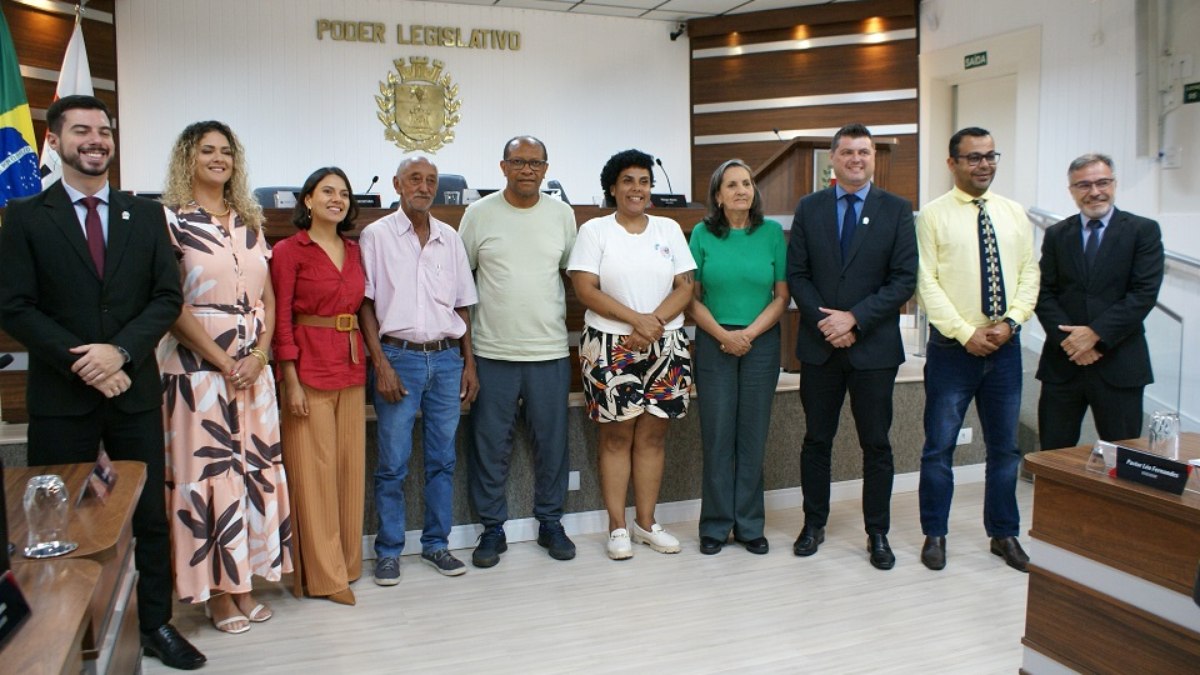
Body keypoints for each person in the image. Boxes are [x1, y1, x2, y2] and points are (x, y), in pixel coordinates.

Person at [0, 95, 204, 669]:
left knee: (147, 516)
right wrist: (83, 362)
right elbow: (14, 306)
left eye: (105, 131)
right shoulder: (25, 216)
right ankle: (62, 632)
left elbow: (166, 296)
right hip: (62, 397)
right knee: (58, 520)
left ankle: (158, 624)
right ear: (55, 140)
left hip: (133, 389)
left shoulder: (144, 215)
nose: (96, 140)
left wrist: (119, 353)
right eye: (82, 131)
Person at [158, 120, 293, 633]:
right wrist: (222, 360)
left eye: (226, 152)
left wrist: (259, 355)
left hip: (252, 373)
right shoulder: (170, 222)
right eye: (207, 150)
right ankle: (213, 593)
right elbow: (170, 302)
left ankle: (243, 583)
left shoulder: (251, 223)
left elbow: (268, 300)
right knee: (208, 477)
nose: (218, 159)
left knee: (250, 476)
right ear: (187, 158)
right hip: (196, 371)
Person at [785, 124, 918, 570]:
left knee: (876, 444)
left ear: (873, 158)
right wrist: (827, 323)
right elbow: (797, 274)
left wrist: (855, 319)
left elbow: (903, 279)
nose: (856, 159)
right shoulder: (810, 208)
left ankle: (877, 532)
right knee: (816, 441)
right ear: (833, 159)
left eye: (864, 152)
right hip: (821, 347)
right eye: (847, 152)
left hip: (873, 350)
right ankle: (813, 523)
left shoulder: (897, 210)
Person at [916, 127, 1039, 573]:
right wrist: (966, 332)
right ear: (952, 163)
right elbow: (926, 282)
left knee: (1005, 450)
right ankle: (935, 533)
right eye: (973, 158)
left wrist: (1012, 322)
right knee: (939, 447)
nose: (984, 165)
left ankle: (1004, 534)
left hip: (1006, 350)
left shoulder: (1013, 213)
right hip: (953, 350)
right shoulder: (932, 216)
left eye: (990, 156)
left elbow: (1029, 274)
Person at [567, 149, 696, 560]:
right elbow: (585, 289)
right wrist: (636, 322)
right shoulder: (594, 231)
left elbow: (685, 286)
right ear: (612, 187)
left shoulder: (669, 228)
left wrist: (652, 324)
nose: (636, 188)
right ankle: (617, 527)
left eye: (643, 181)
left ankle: (646, 522)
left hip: (667, 343)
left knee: (655, 435)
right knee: (616, 435)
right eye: (627, 181)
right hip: (609, 344)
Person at [359, 155, 478, 584]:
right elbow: (365, 305)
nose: (424, 187)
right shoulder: (376, 236)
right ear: (396, 184)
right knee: (392, 462)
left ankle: (435, 545)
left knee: (442, 460)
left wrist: (469, 364)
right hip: (400, 359)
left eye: (430, 180)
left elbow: (462, 305)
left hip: (447, 360)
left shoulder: (450, 237)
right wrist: (381, 364)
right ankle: (389, 550)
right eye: (415, 179)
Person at [459, 136, 578, 568]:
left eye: (535, 163)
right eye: (518, 162)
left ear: (546, 169)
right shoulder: (478, 214)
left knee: (553, 444)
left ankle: (551, 523)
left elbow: (573, 275)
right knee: (490, 446)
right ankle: (492, 530)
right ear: (503, 166)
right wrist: (467, 355)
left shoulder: (563, 215)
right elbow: (460, 284)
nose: (527, 169)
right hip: (493, 352)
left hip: (548, 351)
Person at [271, 167, 367, 605]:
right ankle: (324, 577)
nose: (337, 199)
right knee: (315, 475)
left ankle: (347, 564)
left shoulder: (354, 249)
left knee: (349, 470)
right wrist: (289, 379)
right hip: (307, 370)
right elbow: (282, 320)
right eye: (327, 191)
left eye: (344, 193)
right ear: (307, 199)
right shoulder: (290, 251)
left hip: (350, 366)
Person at [688, 159, 788, 556]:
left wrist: (746, 334)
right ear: (718, 195)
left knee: (751, 436)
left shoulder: (773, 234)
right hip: (714, 341)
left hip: (760, 342)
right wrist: (723, 336)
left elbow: (782, 296)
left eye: (747, 183)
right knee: (717, 436)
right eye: (731, 185)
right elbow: (690, 299)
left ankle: (749, 525)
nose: (741, 190)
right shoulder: (700, 234)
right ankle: (714, 525)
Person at [1035, 154, 1164, 449]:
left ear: (1114, 184)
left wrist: (1094, 335)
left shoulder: (1142, 231)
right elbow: (1044, 293)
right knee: (1054, 456)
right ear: (1071, 191)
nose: (1094, 192)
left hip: (1119, 364)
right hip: (1063, 364)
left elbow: (1143, 294)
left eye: (1102, 182)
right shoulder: (1057, 235)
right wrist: (1071, 343)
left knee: (1123, 457)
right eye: (1083, 185)